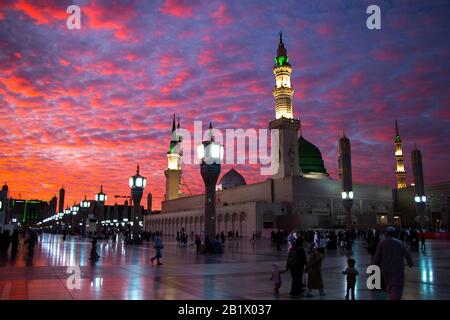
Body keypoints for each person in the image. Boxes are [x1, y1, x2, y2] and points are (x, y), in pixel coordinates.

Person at [373, 226, 413, 300]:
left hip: (385, 269)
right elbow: (407, 254)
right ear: (395, 234)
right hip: (397, 269)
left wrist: (375, 266)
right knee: (397, 287)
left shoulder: (382, 243)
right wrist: (410, 263)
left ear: (386, 234)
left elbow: (377, 256)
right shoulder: (400, 243)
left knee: (389, 285)